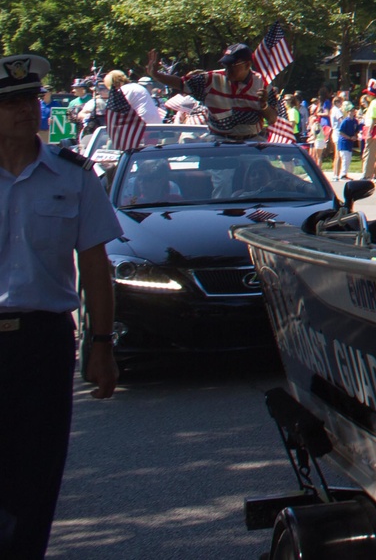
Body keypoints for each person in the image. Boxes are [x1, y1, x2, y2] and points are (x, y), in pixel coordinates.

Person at [0, 53, 119, 560]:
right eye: (12, 103)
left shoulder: (73, 176)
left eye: (32, 99)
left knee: (34, 474)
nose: (27, 110)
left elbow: (96, 266)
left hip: (41, 343)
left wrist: (101, 345)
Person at [147, 44, 269, 140]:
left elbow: (272, 118)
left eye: (232, 65)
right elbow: (181, 83)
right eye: (225, 65)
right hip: (219, 141)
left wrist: (264, 105)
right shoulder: (211, 79)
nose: (227, 69)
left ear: (247, 65)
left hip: (251, 141)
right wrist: (156, 75)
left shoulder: (262, 83)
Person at [333, 104, 363, 178]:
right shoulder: (345, 121)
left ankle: (345, 174)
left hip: (350, 143)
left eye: (353, 110)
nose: (352, 112)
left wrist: (355, 136)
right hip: (344, 142)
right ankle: (342, 174)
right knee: (345, 158)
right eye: (350, 111)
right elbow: (341, 132)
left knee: (348, 159)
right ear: (347, 112)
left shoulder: (355, 121)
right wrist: (349, 137)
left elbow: (356, 130)